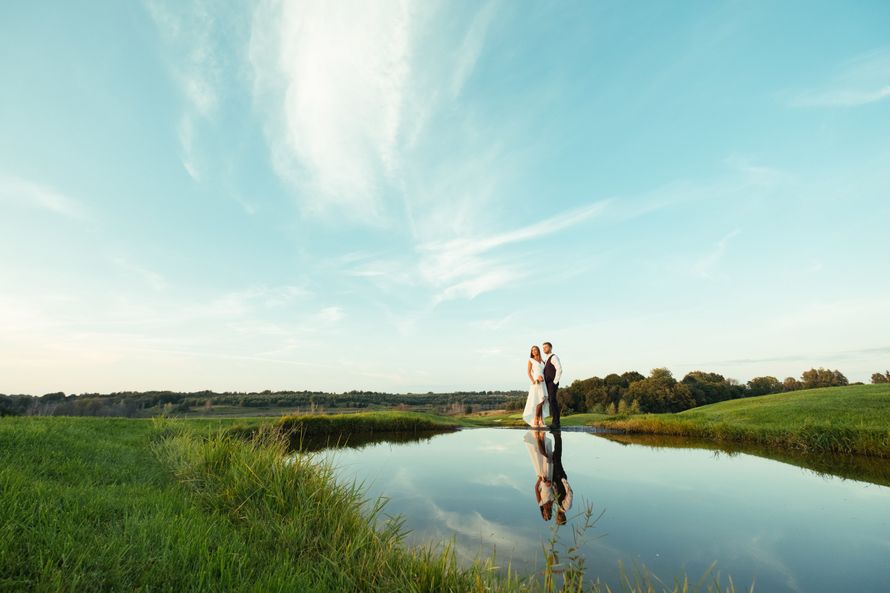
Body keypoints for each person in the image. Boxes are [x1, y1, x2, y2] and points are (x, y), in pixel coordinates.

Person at [523, 429, 554, 521]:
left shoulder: (541, 503)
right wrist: (551, 484)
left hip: (543, 478)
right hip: (550, 478)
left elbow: (536, 489)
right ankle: (541, 437)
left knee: (544, 457)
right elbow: (554, 490)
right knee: (548, 459)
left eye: (545, 515)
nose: (547, 513)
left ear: (543, 513)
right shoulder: (553, 503)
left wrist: (540, 479)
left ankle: (537, 438)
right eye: (549, 515)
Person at [523, 345, 550, 428]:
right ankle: (536, 419)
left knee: (542, 400)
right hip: (536, 382)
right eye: (532, 350)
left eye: (535, 349)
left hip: (543, 382)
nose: (534, 351)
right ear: (531, 352)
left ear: (538, 350)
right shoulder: (531, 360)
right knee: (539, 401)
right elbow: (528, 373)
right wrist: (534, 381)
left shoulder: (542, 361)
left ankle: (541, 420)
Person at [550, 429, 572, 525]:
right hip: (561, 477)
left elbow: (556, 492)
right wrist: (564, 481)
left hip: (556, 479)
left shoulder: (559, 507)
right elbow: (570, 493)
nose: (557, 517)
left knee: (553, 458)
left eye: (557, 519)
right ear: (562, 517)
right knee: (557, 457)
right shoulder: (566, 507)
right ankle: (557, 435)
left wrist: (553, 484)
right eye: (558, 519)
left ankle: (556, 436)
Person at [542, 342, 563, 429]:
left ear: (550, 348)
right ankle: (555, 422)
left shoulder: (554, 357)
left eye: (546, 347)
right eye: (543, 348)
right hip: (548, 383)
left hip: (552, 383)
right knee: (551, 401)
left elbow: (559, 369)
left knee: (553, 401)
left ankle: (556, 423)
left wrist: (555, 382)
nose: (544, 349)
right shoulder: (546, 359)